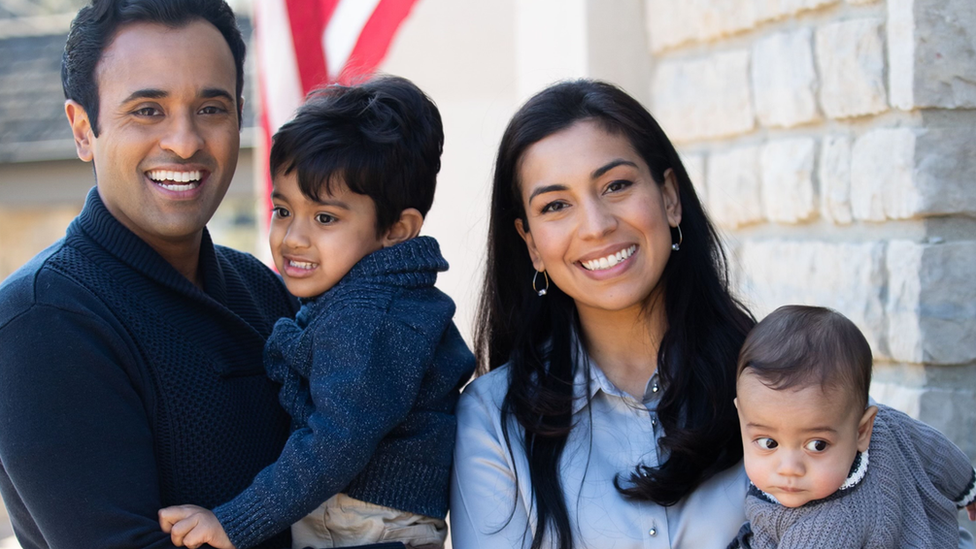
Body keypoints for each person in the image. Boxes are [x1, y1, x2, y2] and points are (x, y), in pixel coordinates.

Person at [0, 1, 297, 548]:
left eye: (211, 108)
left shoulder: (262, 290)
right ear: (83, 129)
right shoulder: (42, 321)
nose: (185, 142)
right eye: (147, 110)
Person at [157, 76, 476, 549]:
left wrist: (235, 521)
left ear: (396, 229)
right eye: (282, 211)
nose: (293, 238)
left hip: (358, 520)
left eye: (325, 218)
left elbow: (335, 443)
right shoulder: (378, 297)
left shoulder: (366, 317)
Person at [450, 79, 757, 548]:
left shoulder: (780, 375)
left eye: (616, 185)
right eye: (555, 205)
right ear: (531, 243)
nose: (596, 226)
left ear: (669, 197)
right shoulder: (494, 421)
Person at [729, 305, 976, 549]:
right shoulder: (889, 425)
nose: (789, 469)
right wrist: (970, 489)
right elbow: (938, 453)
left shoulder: (827, 528)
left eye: (817, 445)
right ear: (742, 418)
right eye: (768, 443)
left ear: (862, 431)